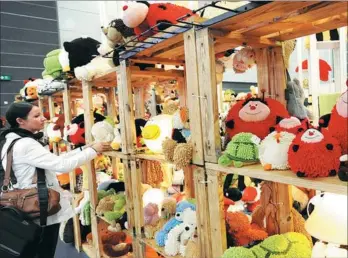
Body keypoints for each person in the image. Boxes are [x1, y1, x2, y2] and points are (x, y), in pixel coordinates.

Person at [0, 102, 111, 258]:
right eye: (36, 116)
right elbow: (61, 165)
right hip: (39, 207)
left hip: (25, 203)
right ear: (20, 121)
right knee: (43, 250)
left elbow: (53, 161)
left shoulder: (12, 141)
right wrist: (93, 150)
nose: (43, 119)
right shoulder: (26, 144)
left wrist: (84, 149)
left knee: (32, 248)